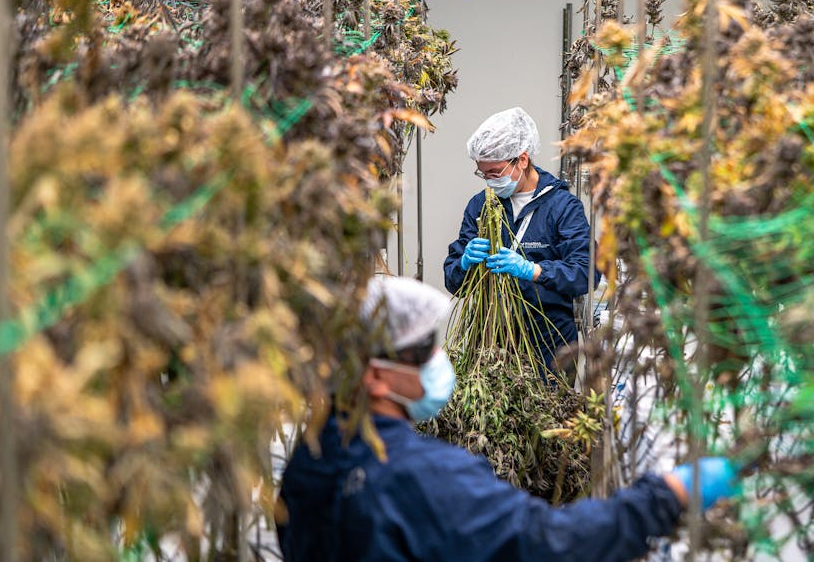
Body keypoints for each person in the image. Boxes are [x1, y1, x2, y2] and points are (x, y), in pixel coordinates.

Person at [276, 275, 737, 562]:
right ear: (376, 377)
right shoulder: (425, 476)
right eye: (420, 351)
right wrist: (666, 495)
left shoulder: (308, 464)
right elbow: (547, 543)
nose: (438, 357)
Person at [444, 107, 597, 374]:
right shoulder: (481, 206)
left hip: (549, 342)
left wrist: (533, 271)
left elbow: (587, 273)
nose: (490, 181)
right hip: (493, 339)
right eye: (484, 174)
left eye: (495, 172)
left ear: (522, 160)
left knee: (547, 412)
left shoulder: (562, 207)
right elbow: (454, 281)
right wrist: (464, 265)